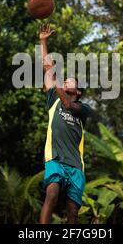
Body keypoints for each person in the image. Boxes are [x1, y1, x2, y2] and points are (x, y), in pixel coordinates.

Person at [38, 24, 92, 224]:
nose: (66, 82)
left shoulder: (82, 108)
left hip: (76, 165)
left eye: (70, 81)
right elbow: (47, 67)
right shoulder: (54, 98)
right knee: (51, 194)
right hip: (56, 158)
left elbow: (68, 104)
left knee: (73, 213)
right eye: (66, 81)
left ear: (78, 91)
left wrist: (56, 78)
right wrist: (43, 41)